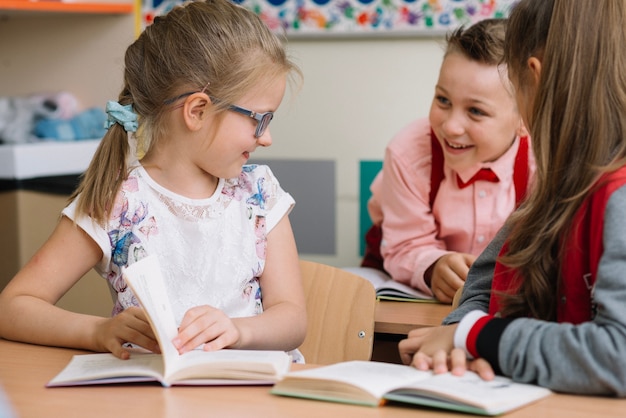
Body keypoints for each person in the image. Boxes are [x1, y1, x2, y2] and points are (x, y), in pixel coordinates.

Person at [0, 0, 308, 362]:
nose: (266, 137)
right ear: (197, 111)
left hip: (253, 397)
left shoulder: (260, 194)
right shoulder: (118, 202)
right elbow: (13, 307)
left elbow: (293, 319)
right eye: (260, 119)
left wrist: (240, 331)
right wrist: (97, 331)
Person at [398, 0, 626, 396]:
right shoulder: (556, 186)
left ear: (532, 79)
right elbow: (484, 285)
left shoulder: (615, 196)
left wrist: (476, 335)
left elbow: (618, 356)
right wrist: (459, 332)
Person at [359, 18, 534, 303]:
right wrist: (431, 267)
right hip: (407, 279)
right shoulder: (408, 153)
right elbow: (405, 244)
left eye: (476, 111)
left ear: (525, 119)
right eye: (443, 100)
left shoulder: (545, 161)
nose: (451, 126)